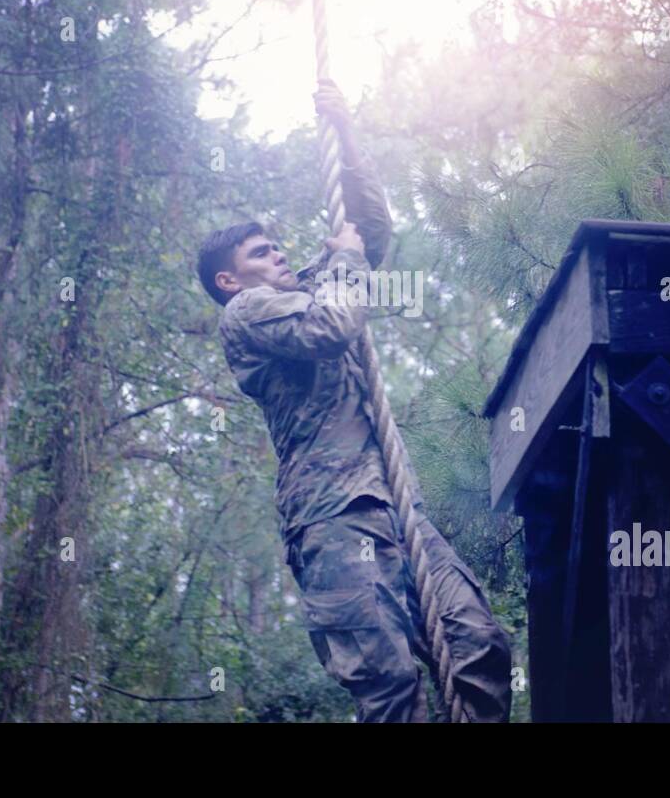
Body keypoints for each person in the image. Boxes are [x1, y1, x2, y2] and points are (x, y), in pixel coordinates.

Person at [196, 80, 512, 722]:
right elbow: (329, 327)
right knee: (389, 684)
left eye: (277, 245)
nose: (280, 253)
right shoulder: (248, 314)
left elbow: (366, 232)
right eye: (261, 253)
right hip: (334, 518)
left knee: (477, 645)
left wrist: (344, 136)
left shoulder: (313, 286)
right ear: (231, 280)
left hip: (397, 509)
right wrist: (344, 264)